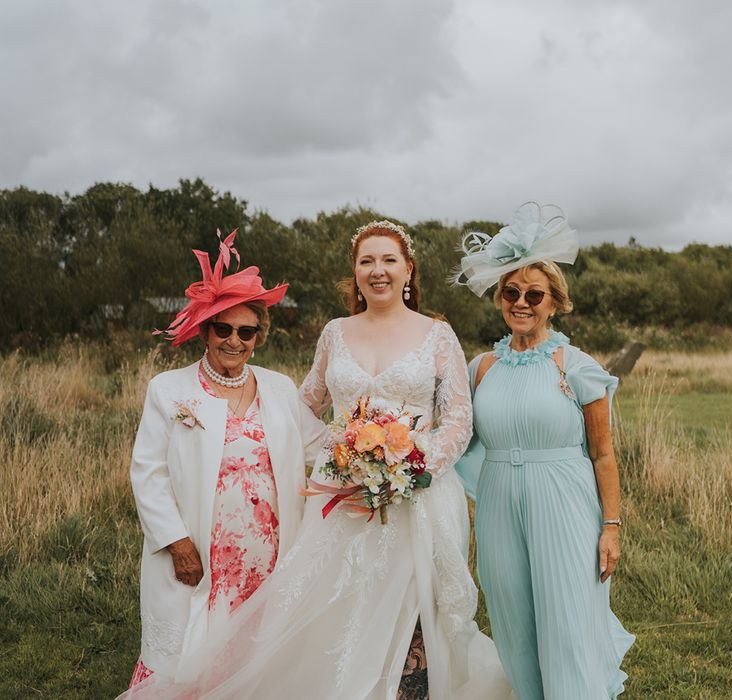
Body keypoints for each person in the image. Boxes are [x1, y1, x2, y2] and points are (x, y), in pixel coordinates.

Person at [122, 221, 513, 699]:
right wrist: (346, 458)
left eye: (388, 260)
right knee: (335, 611)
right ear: (355, 271)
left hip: (416, 498)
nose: (378, 270)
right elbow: (302, 406)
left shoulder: (438, 335)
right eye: (366, 261)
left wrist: (409, 468)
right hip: (341, 499)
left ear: (408, 269)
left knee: (415, 612)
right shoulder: (335, 333)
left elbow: (458, 420)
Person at [127, 230, 326, 687]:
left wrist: (374, 446)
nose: (234, 341)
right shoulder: (169, 390)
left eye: (247, 331)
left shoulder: (278, 386)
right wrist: (177, 543)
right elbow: (148, 474)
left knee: (258, 652)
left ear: (259, 336)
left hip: (268, 553)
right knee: (194, 653)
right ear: (205, 330)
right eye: (223, 328)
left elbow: (320, 446)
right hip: (200, 551)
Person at [453, 202, 635, 699]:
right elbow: (452, 441)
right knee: (513, 622)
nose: (522, 302)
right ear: (499, 299)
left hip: (565, 506)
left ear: (555, 302)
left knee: (567, 625)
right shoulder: (480, 368)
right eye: (511, 292)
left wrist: (611, 527)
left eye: (535, 294)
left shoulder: (576, 366)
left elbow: (602, 455)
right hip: (498, 509)